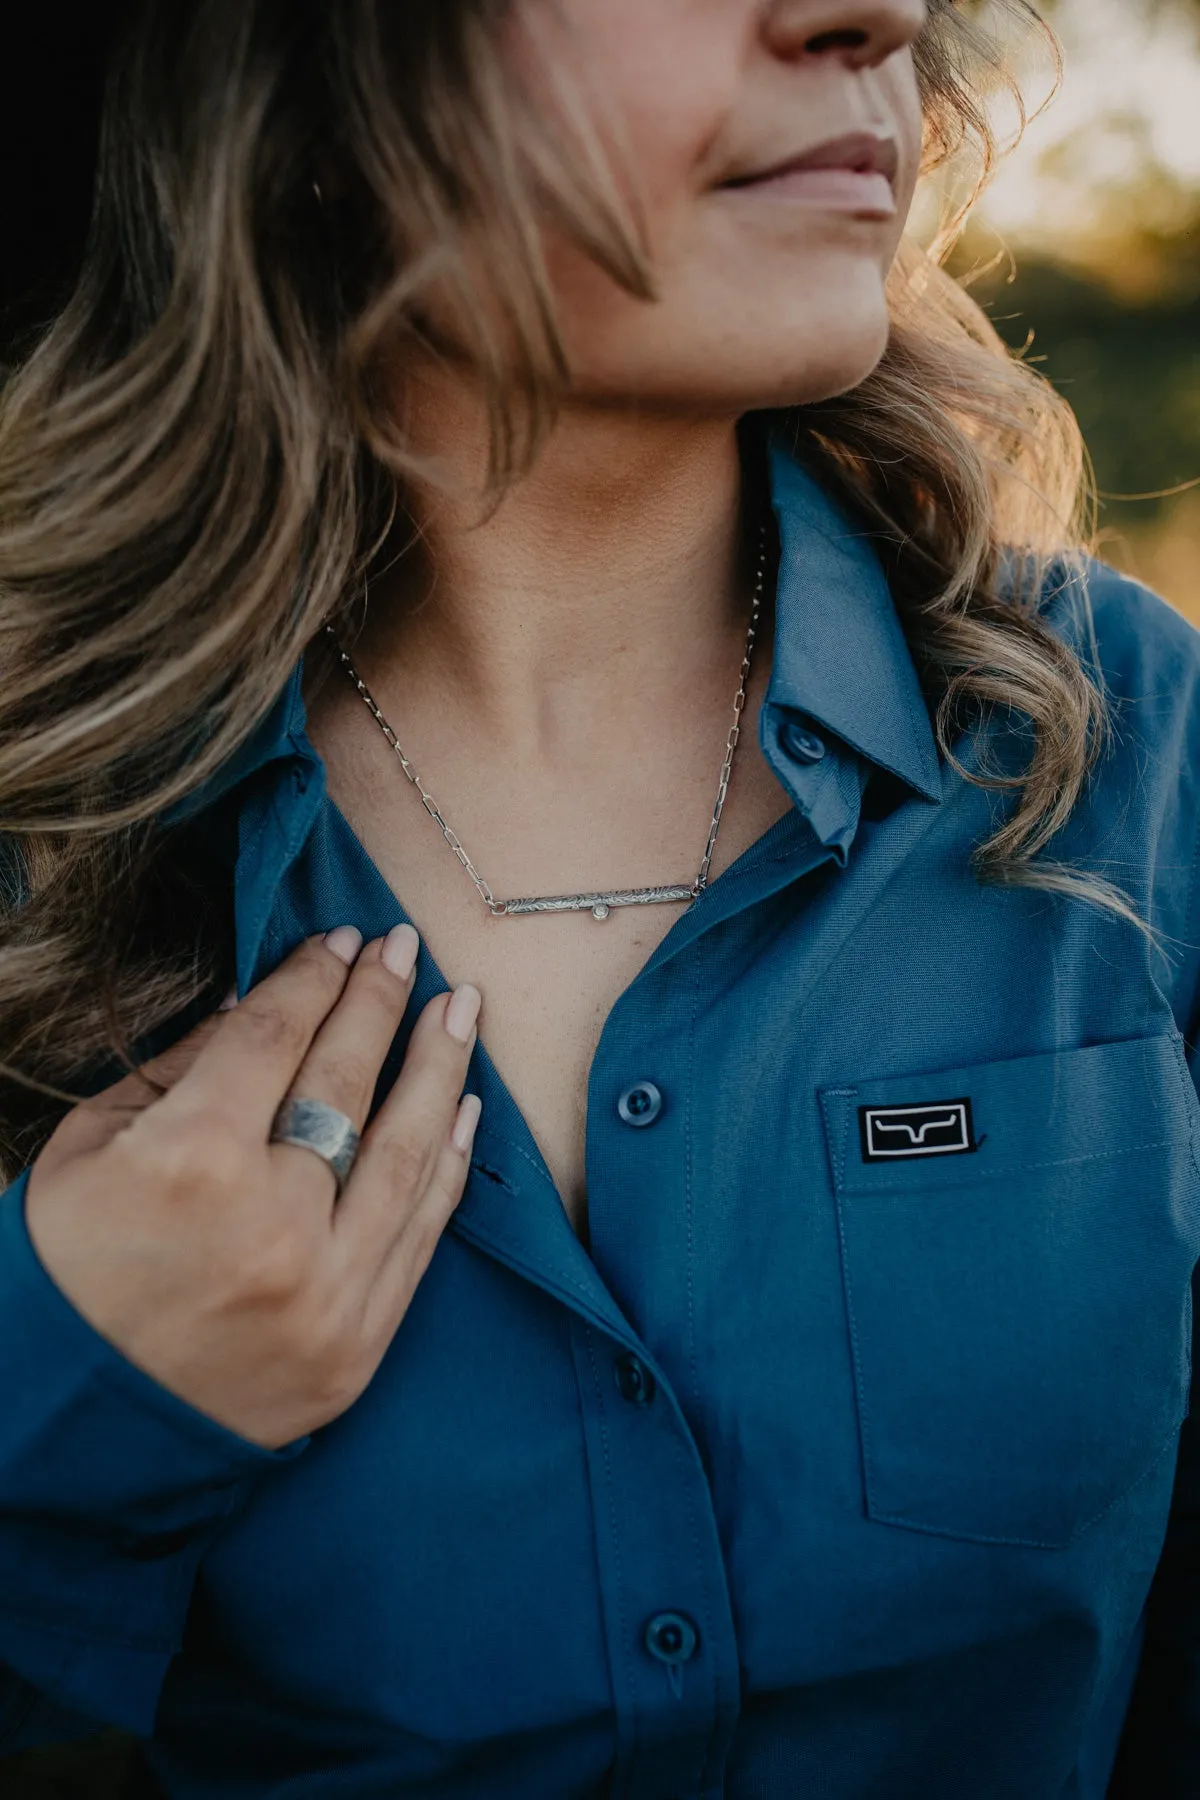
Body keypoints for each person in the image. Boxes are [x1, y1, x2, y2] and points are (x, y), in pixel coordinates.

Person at [0, 1, 1196, 1795]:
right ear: (298, 78)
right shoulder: (48, 833)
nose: (864, 14)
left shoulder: (1133, 751)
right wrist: (65, 1384)